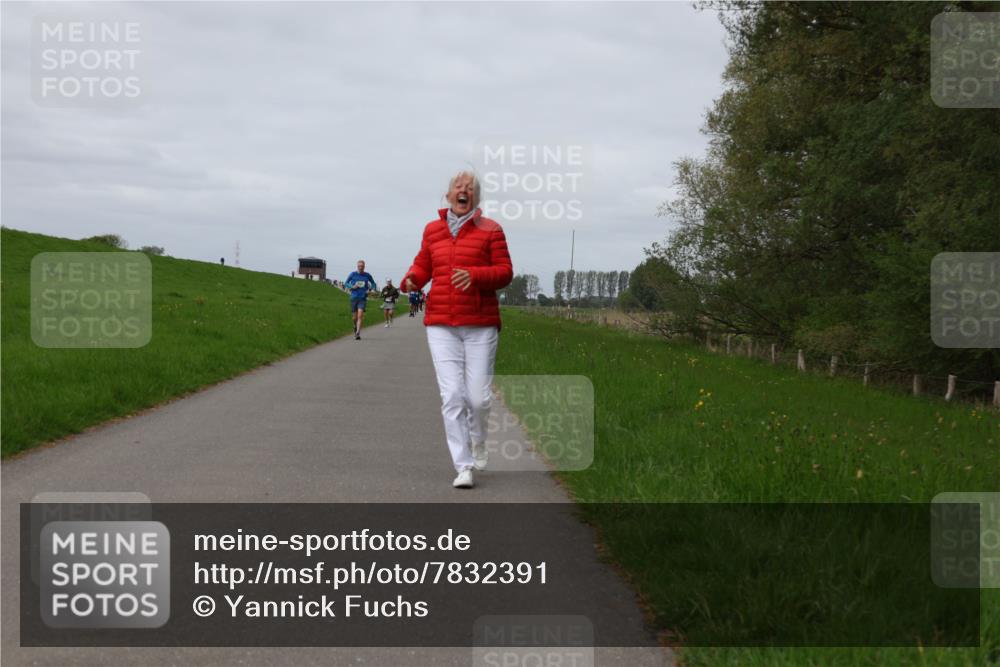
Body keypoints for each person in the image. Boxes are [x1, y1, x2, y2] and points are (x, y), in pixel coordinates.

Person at [400, 171, 513, 489]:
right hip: (440, 324)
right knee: (452, 396)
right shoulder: (432, 230)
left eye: (471, 189)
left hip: (479, 325)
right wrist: (411, 279)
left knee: (477, 399)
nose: (464, 191)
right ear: (448, 195)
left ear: (476, 198)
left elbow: (505, 272)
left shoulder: (491, 230)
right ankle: (463, 466)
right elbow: (424, 264)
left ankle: (478, 440)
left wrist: (476, 276)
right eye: (458, 187)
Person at [344, 260, 377, 340]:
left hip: (363, 298)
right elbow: (346, 283)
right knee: (354, 317)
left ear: (364, 267)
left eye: (362, 266)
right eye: (359, 266)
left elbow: (373, 284)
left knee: (360, 315)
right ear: (357, 266)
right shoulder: (353, 274)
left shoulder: (367, 275)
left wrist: (370, 290)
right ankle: (355, 326)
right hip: (354, 298)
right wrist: (352, 287)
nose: (360, 267)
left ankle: (358, 333)